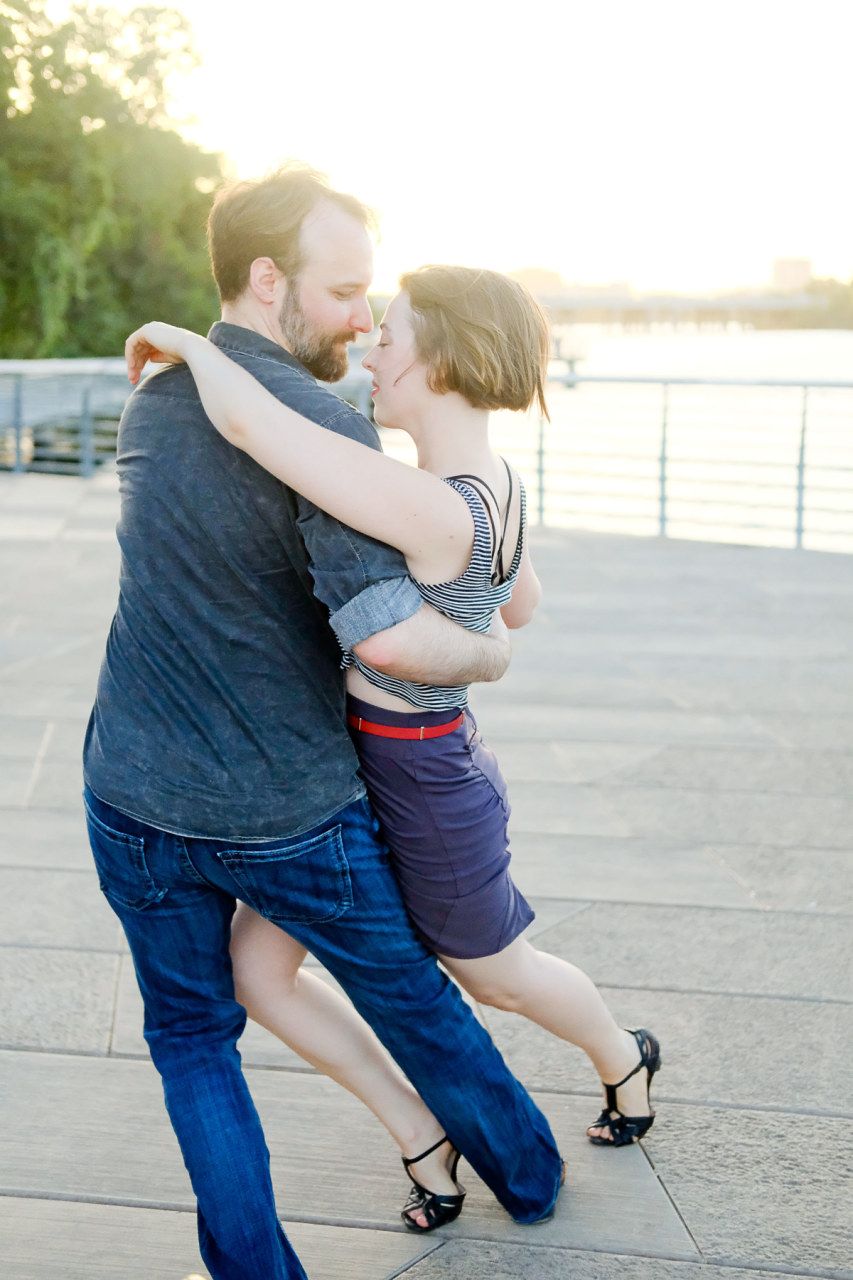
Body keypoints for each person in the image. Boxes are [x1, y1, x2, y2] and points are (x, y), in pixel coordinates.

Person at [83, 168, 566, 1280]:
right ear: (268, 281)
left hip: (132, 791)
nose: (363, 318)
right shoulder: (326, 423)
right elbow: (391, 635)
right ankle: (528, 1175)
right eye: (347, 291)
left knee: (192, 1041)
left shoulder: (153, 395)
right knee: (407, 993)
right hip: (289, 804)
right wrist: (491, 648)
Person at [123, 264, 662, 1225]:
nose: (373, 347)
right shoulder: (478, 488)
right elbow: (522, 603)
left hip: (423, 779)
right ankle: (423, 1132)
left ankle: (623, 1056)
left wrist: (195, 343)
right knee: (255, 974)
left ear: (444, 360)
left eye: (394, 335)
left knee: (495, 973)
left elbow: (259, 430)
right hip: (368, 767)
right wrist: (479, 623)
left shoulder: (434, 504)